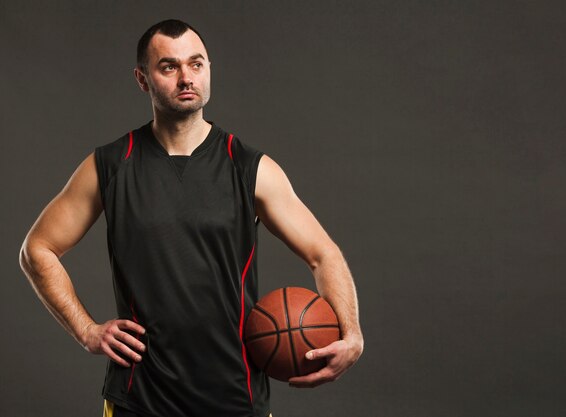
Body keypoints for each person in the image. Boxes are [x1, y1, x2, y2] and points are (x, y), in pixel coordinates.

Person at [19, 19, 363, 417]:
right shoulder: (110, 165)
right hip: (139, 399)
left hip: (236, 398)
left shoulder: (250, 167)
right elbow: (37, 250)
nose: (186, 77)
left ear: (209, 69)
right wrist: (86, 330)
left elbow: (324, 254)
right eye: (169, 67)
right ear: (142, 79)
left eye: (196, 64)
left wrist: (351, 334)